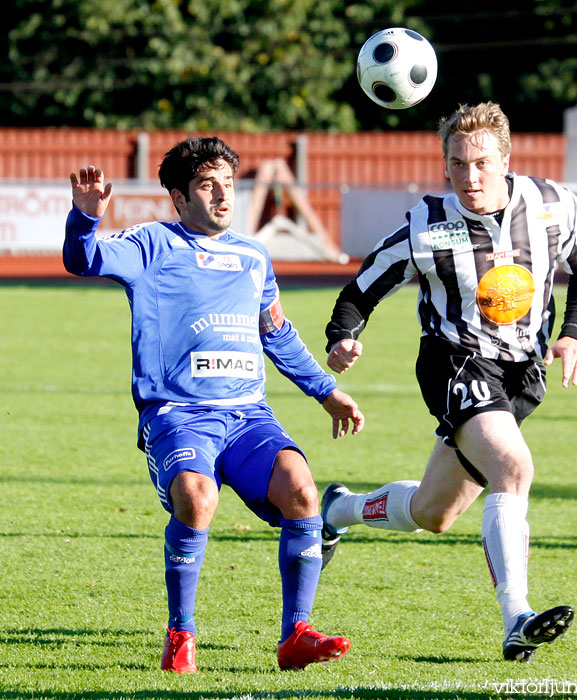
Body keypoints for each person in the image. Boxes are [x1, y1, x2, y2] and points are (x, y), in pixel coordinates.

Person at [63, 136, 364, 673]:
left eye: (228, 183)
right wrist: (84, 220)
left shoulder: (253, 256)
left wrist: (325, 390)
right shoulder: (152, 244)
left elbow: (276, 333)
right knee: (197, 499)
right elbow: (84, 260)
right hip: (178, 415)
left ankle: (295, 635)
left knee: (300, 487)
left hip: (248, 417)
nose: (223, 195)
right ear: (178, 198)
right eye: (207, 185)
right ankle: (181, 636)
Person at [320, 102, 577, 663]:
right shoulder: (427, 221)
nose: (469, 178)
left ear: (505, 158)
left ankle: (338, 511)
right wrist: (343, 335)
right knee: (513, 467)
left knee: (434, 512)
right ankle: (517, 615)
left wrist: (573, 333)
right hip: (455, 360)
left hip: (521, 375)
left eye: (480, 164)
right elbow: (363, 287)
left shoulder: (551, 204)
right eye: (456, 164)